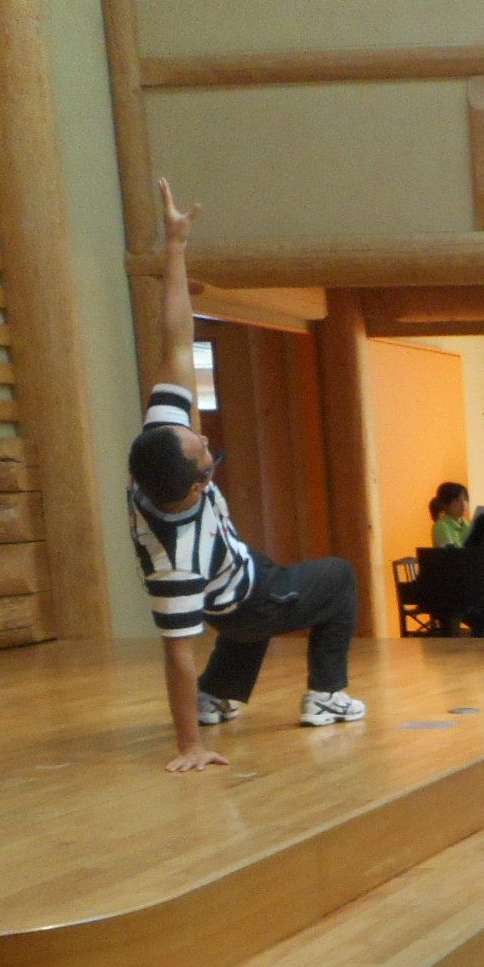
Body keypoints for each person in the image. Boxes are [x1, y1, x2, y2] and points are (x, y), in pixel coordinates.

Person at [128, 180, 365, 771]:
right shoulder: (175, 561)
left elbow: (176, 342)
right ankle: (326, 695)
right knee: (336, 579)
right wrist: (189, 748)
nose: (205, 439)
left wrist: (175, 248)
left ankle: (220, 695)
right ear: (196, 488)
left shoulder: (155, 452)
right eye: (204, 452)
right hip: (243, 591)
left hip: (228, 581)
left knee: (243, 605)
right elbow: (176, 654)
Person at [428, 482, 471, 548]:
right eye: (457, 500)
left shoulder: (469, 525)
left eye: (465, 499)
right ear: (445, 504)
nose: (463, 504)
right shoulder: (441, 527)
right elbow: (451, 552)